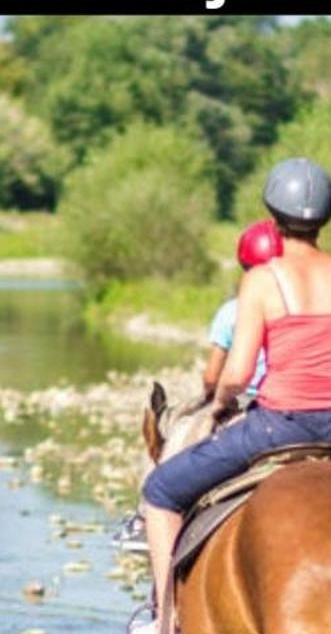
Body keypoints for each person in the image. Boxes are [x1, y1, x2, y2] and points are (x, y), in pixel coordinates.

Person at [127, 158, 331, 634]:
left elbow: (239, 373)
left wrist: (222, 403)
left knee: (159, 492)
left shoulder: (263, 281)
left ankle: (167, 622)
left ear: (273, 214)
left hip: (278, 424)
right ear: (325, 218)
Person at [112, 218, 283, 557]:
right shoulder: (297, 304)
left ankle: (146, 522)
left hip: (247, 401)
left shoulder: (232, 311)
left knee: (178, 445)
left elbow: (215, 374)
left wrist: (212, 397)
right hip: (299, 403)